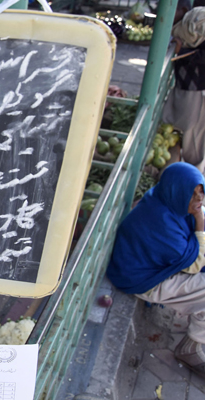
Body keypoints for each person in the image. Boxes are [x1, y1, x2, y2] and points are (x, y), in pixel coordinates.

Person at [106, 162, 205, 375]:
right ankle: (191, 347)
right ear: (178, 191)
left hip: (151, 264)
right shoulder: (162, 222)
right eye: (193, 195)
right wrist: (199, 222)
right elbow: (196, 264)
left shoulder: (166, 199)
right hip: (143, 280)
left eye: (201, 193)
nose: (199, 200)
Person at [162, 7, 205, 171]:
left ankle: (194, 181)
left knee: (194, 138)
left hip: (198, 89)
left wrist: (183, 51)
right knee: (184, 131)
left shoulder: (199, 19)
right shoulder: (194, 19)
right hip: (187, 85)